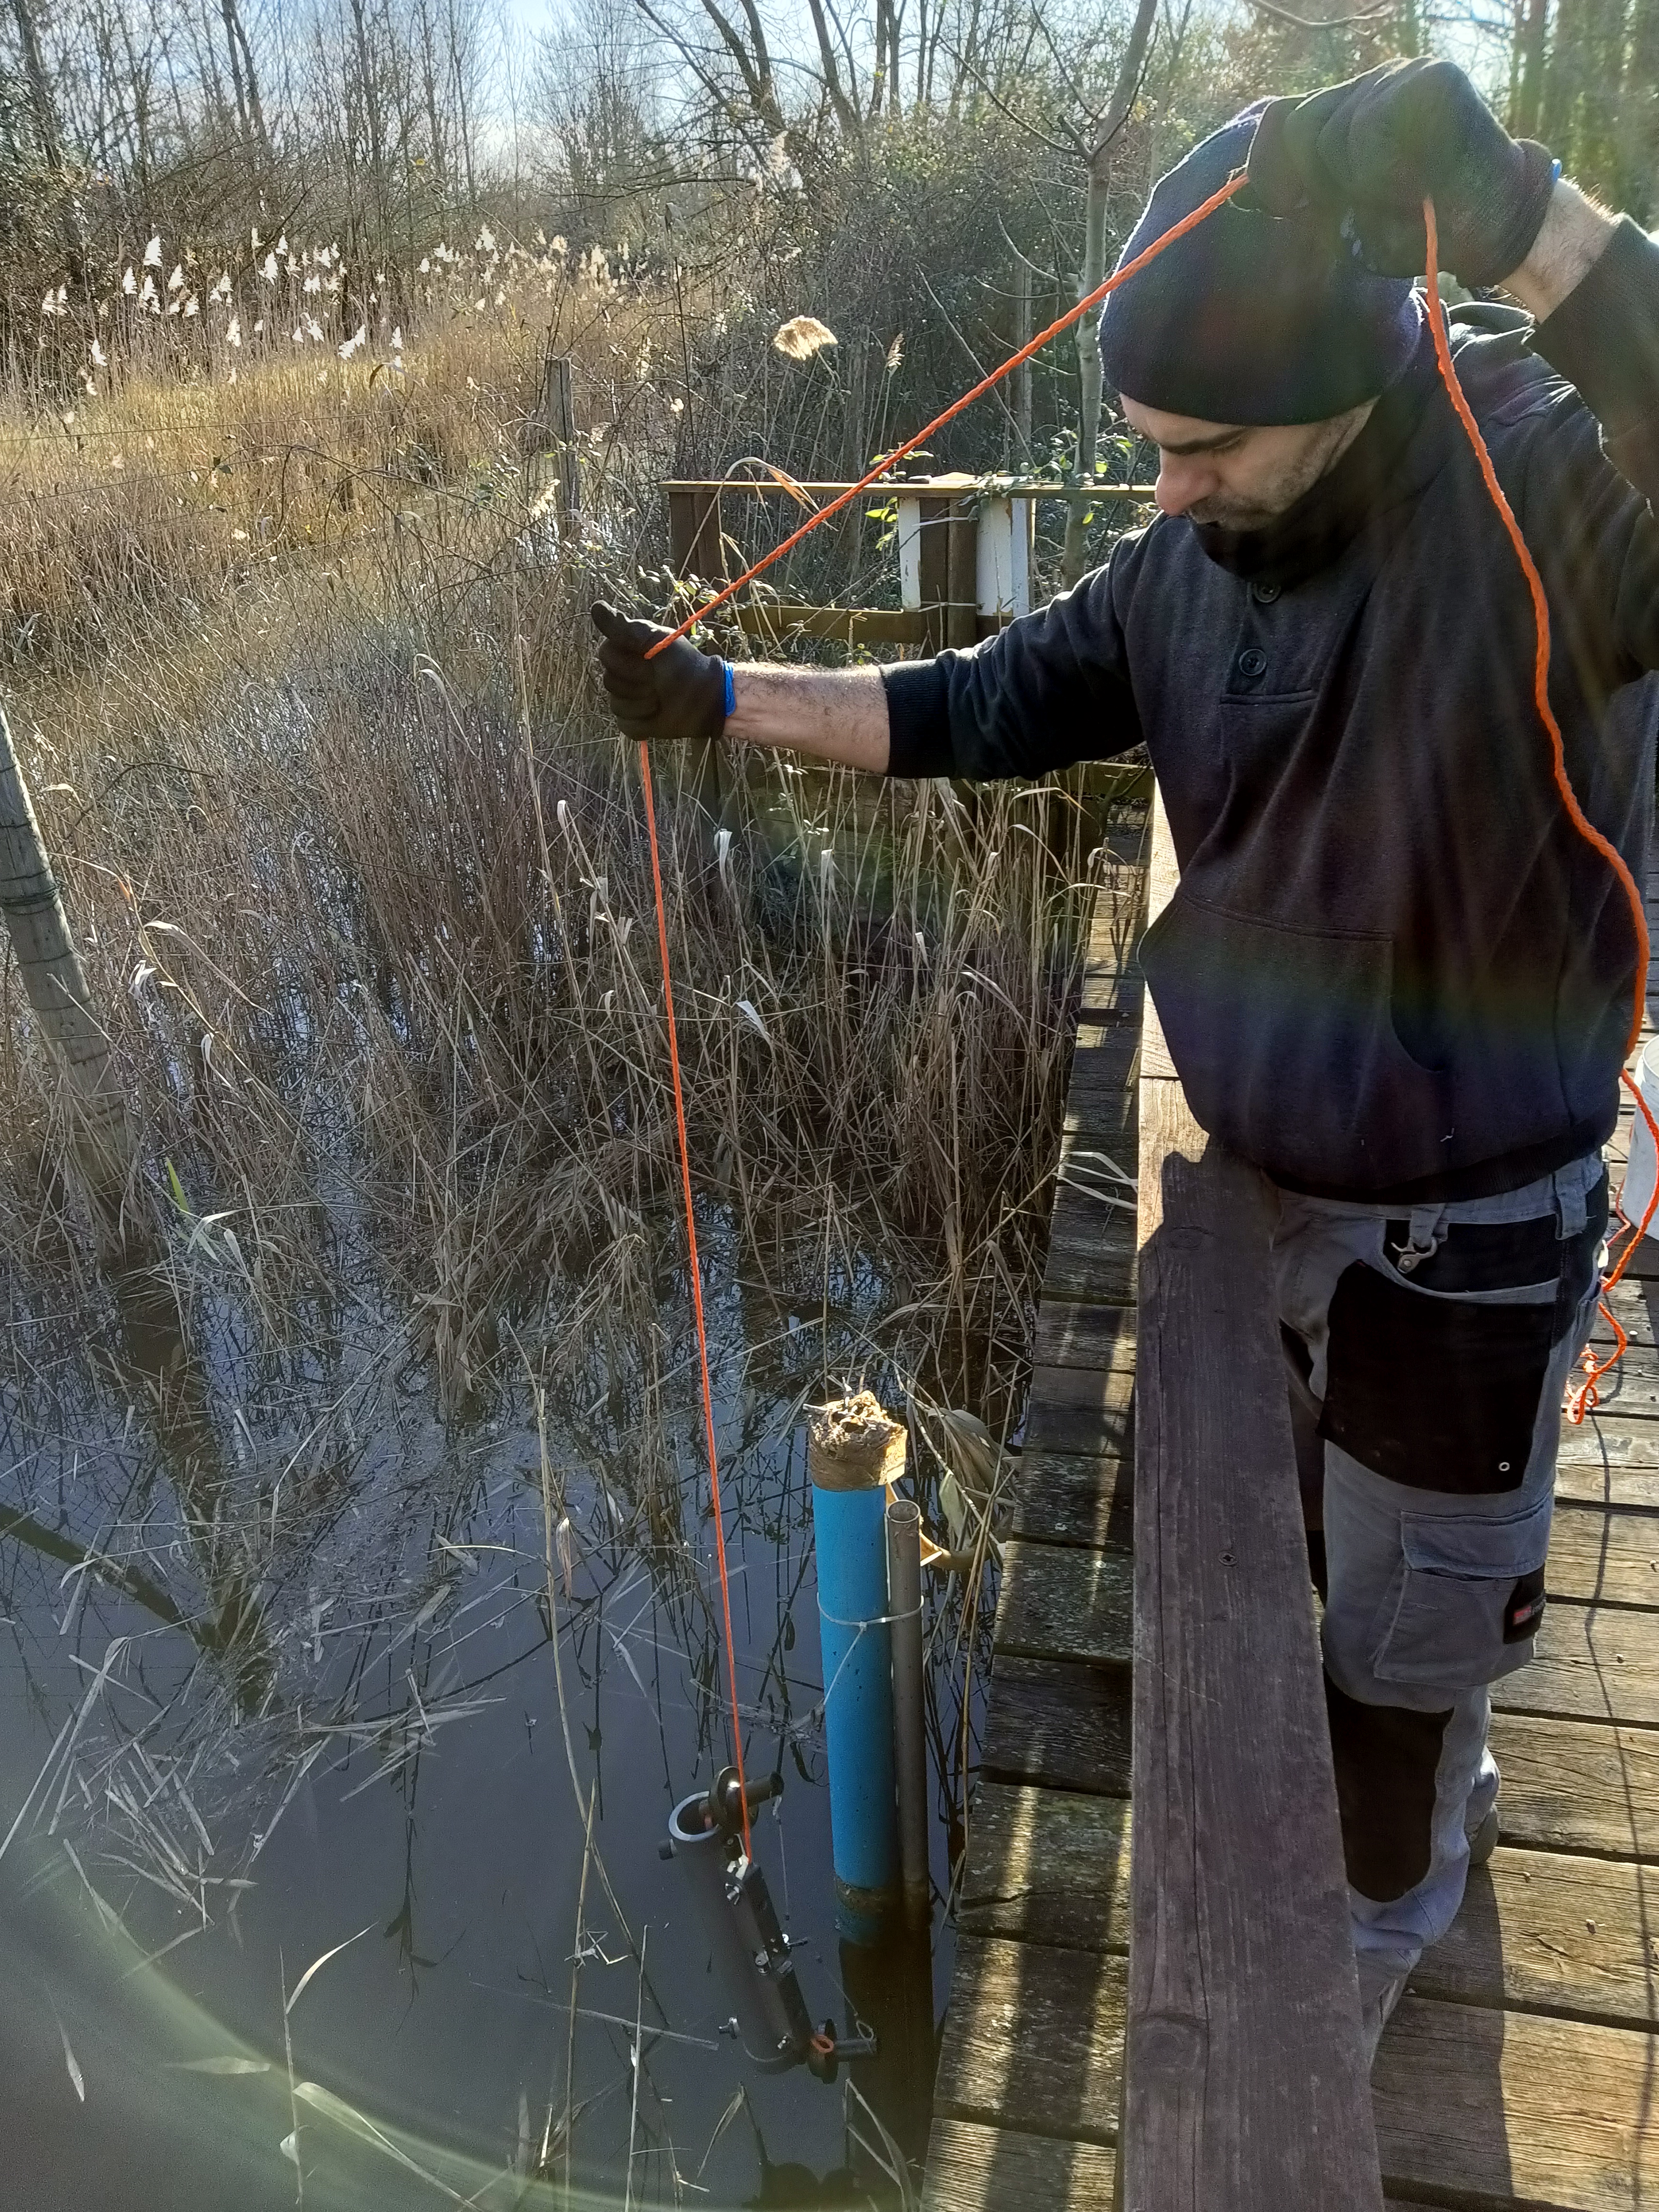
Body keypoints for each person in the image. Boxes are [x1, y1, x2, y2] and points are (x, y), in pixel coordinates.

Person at [590, 60, 1659, 2060]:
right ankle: (1426, 1802)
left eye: (1202, 448)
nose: (1160, 491)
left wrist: (1524, 213)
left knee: (1401, 1657)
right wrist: (722, 696)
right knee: (1335, 1600)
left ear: (1350, 386)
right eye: (1146, 450)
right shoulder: (1187, 568)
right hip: (1261, 1193)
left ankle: (1371, 1938)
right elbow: (975, 705)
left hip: (1470, 1242)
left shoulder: (1543, 497)